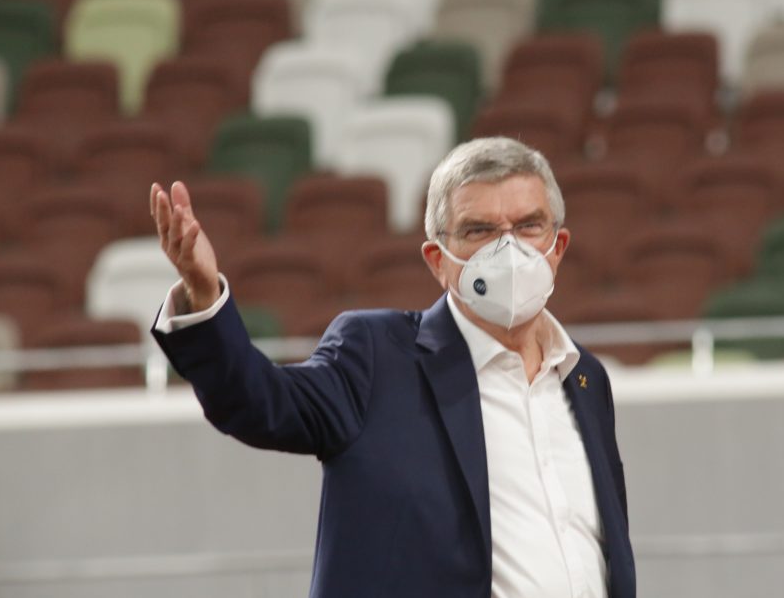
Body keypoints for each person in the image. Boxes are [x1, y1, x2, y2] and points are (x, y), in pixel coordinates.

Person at [149, 137, 635, 598]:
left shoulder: (585, 379)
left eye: (529, 225)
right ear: (436, 260)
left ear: (558, 246)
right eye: (479, 230)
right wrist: (203, 292)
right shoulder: (378, 356)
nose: (508, 249)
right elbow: (258, 401)